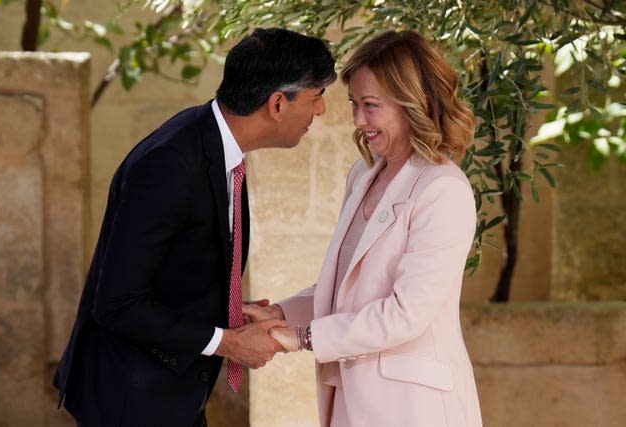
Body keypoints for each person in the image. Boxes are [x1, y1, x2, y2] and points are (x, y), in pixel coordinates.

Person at [53, 27, 337, 427]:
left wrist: (227, 307)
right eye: (316, 97)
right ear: (277, 104)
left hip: (172, 394)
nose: (321, 110)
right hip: (130, 400)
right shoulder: (169, 163)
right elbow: (117, 303)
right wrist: (229, 343)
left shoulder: (214, 145)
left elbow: (172, 268)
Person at [244, 30, 483, 427]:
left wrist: (303, 338)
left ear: (413, 103)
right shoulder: (363, 175)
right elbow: (344, 290)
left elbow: (407, 313)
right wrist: (277, 313)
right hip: (352, 402)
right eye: (354, 104)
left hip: (415, 408)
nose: (358, 120)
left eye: (370, 105)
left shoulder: (443, 190)